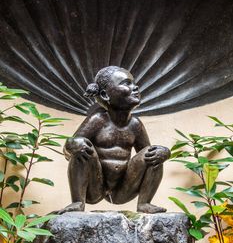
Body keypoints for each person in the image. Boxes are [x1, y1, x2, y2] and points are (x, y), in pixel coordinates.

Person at [61, 66, 170, 214]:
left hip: (124, 188)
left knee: (154, 154)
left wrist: (164, 152)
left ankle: (144, 203)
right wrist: (73, 145)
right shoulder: (97, 120)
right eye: (127, 83)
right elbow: (68, 151)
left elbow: (146, 157)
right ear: (105, 94)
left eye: (134, 83)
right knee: (82, 146)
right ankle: (77, 201)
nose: (135, 87)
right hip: (95, 187)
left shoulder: (135, 124)